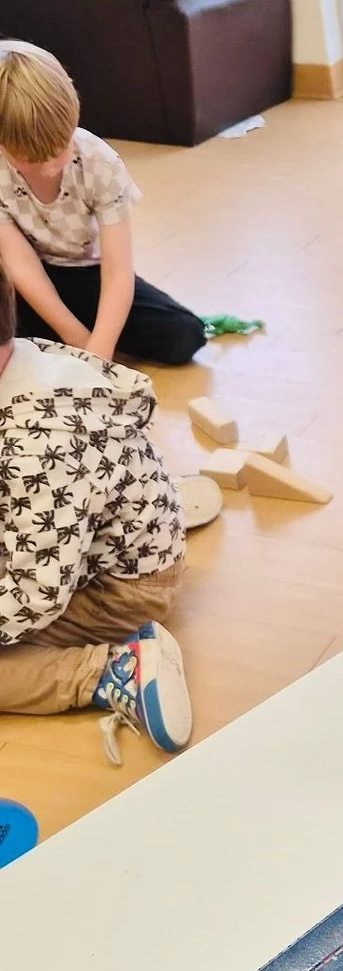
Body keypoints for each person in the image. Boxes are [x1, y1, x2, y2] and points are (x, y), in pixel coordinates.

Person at [0, 264, 192, 752]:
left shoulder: (40, 445)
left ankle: (111, 672)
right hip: (82, 536)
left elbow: (35, 596)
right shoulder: (23, 353)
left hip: (118, 589)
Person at [0, 40, 205, 366]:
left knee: (183, 335)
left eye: (61, 148)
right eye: (32, 160)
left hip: (86, 274)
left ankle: (37, 343)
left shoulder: (99, 161)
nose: (52, 165)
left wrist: (99, 351)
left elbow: (117, 271)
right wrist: (78, 339)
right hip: (24, 282)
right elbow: (21, 265)